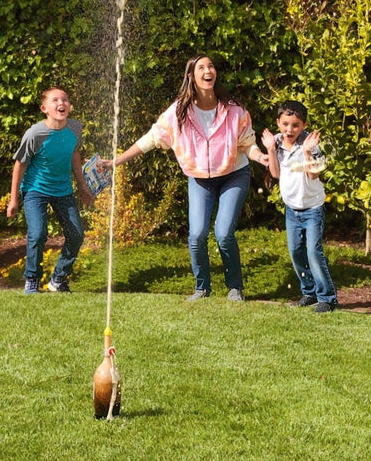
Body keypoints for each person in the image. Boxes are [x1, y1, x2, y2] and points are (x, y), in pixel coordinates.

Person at [100, 54, 269, 302]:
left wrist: (260, 157)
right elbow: (150, 140)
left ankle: (235, 287)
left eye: (210, 66)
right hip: (200, 179)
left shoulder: (234, 110)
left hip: (234, 174)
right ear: (191, 76)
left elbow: (247, 144)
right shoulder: (178, 112)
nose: (208, 70)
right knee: (197, 235)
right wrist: (115, 162)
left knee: (223, 233)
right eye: (201, 67)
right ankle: (202, 287)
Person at [7, 87, 95, 294]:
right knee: (37, 234)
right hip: (36, 189)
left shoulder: (75, 128)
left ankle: (58, 279)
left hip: (63, 189)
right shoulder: (35, 134)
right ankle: (32, 279)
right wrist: (13, 200)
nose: (61, 103)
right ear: (44, 108)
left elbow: (74, 154)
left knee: (76, 234)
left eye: (65, 100)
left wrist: (82, 185)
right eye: (55, 100)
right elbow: (19, 165)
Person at [261, 100, 338, 313]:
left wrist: (306, 152)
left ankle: (327, 298)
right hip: (292, 209)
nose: (289, 130)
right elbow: (275, 174)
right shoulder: (276, 142)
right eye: (285, 124)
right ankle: (309, 292)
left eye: (295, 125)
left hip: (312, 208)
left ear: (303, 125)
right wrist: (269, 149)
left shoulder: (310, 144)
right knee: (296, 252)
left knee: (313, 252)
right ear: (278, 123)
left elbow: (313, 174)